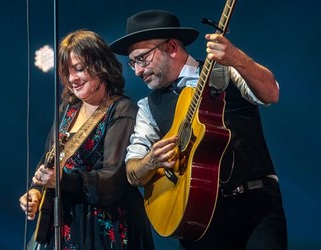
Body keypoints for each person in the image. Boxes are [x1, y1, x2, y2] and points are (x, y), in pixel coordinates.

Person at [110, 9, 287, 249]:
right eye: (133, 64)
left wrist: (239, 59)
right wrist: (151, 161)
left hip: (256, 206)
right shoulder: (147, 107)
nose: (138, 71)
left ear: (172, 47)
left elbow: (271, 93)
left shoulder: (225, 70)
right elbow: (132, 171)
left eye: (142, 59)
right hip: (197, 219)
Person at [19, 30, 154, 250]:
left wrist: (64, 181)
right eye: (67, 71)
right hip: (64, 224)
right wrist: (36, 190)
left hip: (105, 228)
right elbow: (48, 158)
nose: (72, 78)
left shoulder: (122, 109)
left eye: (79, 68)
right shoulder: (68, 109)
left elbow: (114, 179)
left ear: (101, 65)